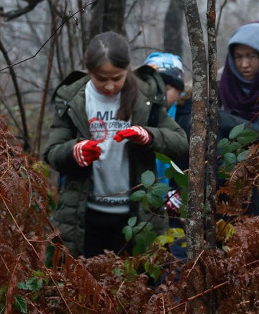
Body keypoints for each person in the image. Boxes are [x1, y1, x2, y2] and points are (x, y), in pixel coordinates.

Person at [43, 32, 189, 258]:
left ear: (128, 69)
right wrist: (75, 151)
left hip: (137, 216)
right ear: (89, 71)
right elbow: (52, 152)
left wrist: (148, 136)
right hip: (83, 216)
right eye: (101, 78)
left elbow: (179, 141)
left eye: (117, 78)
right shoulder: (72, 98)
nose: (110, 86)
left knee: (135, 286)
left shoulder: (145, 95)